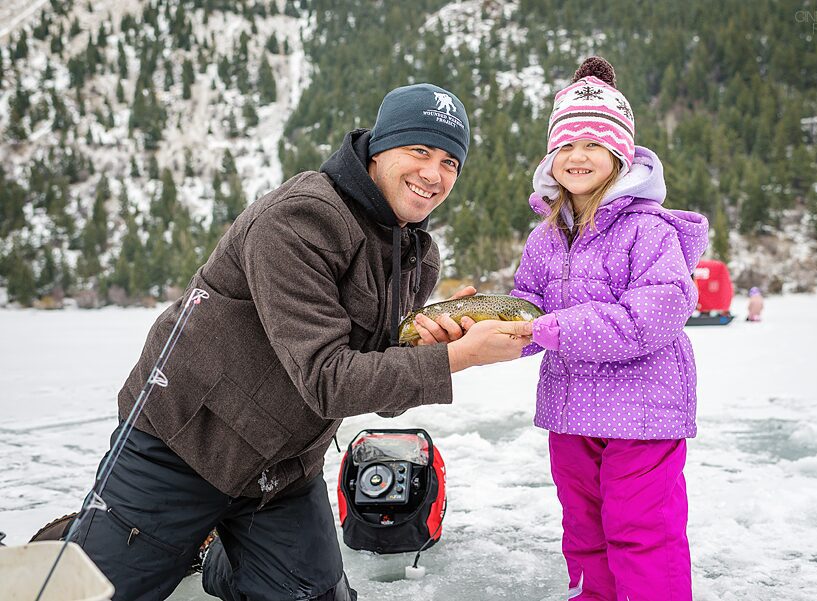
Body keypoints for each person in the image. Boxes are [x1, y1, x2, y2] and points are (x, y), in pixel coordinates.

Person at [68, 83, 533, 601]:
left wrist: (429, 351)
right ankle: (165, 540)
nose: (433, 174)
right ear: (379, 149)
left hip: (282, 468)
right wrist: (455, 359)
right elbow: (328, 380)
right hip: (183, 446)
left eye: (450, 162)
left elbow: (380, 391)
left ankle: (222, 555)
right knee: (91, 595)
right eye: (419, 150)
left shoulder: (416, 257)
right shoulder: (300, 218)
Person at [512, 57, 707, 600]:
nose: (578, 156)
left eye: (594, 144)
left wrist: (554, 328)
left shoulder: (649, 230)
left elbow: (654, 314)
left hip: (642, 415)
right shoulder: (544, 237)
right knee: (584, 531)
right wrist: (484, 323)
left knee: (642, 533)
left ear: (621, 155)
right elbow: (528, 306)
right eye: (566, 145)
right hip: (571, 412)